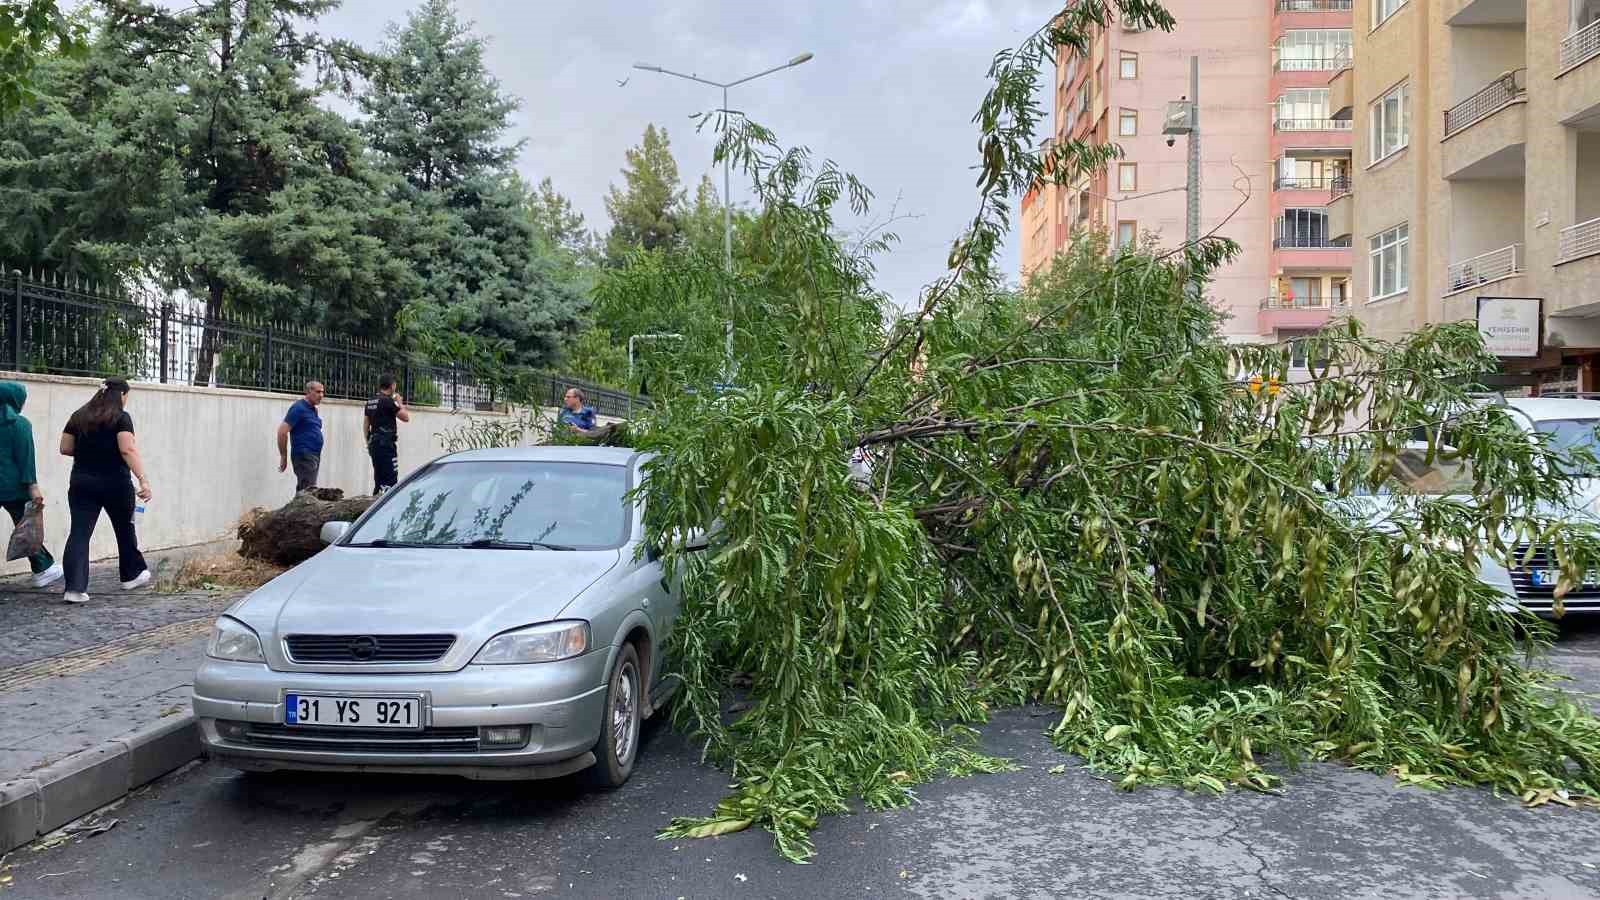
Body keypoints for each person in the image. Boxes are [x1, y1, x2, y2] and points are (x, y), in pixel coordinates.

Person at [59, 378, 151, 604]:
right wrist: (143, 480)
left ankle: (74, 588)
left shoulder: (78, 415)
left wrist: (90, 451)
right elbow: (127, 449)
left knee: (79, 533)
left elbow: (65, 447)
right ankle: (132, 575)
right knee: (125, 528)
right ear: (121, 395)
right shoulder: (121, 418)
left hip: (82, 482)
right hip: (115, 483)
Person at [0, 382, 63, 587]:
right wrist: (33, 486)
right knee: (27, 528)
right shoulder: (20, 424)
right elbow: (26, 458)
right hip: (14, 486)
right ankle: (43, 568)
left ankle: (44, 567)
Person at [364, 374, 409, 495]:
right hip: (386, 445)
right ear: (392, 385)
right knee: (390, 479)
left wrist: (368, 442)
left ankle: (375, 503)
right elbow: (406, 417)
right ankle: (388, 507)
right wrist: (400, 403)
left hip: (374, 444)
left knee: (379, 479)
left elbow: (366, 424)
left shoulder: (371, 401)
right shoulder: (388, 401)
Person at [278, 381, 325, 493]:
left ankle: (299, 509)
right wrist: (283, 456)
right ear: (308, 392)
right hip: (304, 455)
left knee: (306, 490)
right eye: (318, 392)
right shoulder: (298, 408)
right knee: (307, 492)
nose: (321, 395)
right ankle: (298, 511)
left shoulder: (313, 410)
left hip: (314, 455)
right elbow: (282, 432)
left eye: (323, 392)